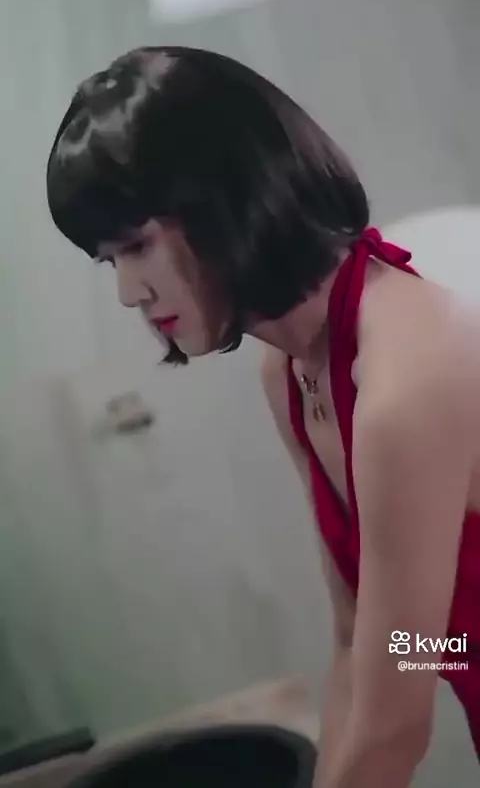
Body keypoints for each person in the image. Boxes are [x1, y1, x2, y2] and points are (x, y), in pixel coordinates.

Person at [46, 46, 480, 787]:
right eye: (108, 260)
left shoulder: (405, 380)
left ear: (226, 201)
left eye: (138, 245)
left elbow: (395, 721)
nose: (128, 292)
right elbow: (360, 642)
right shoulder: (289, 370)